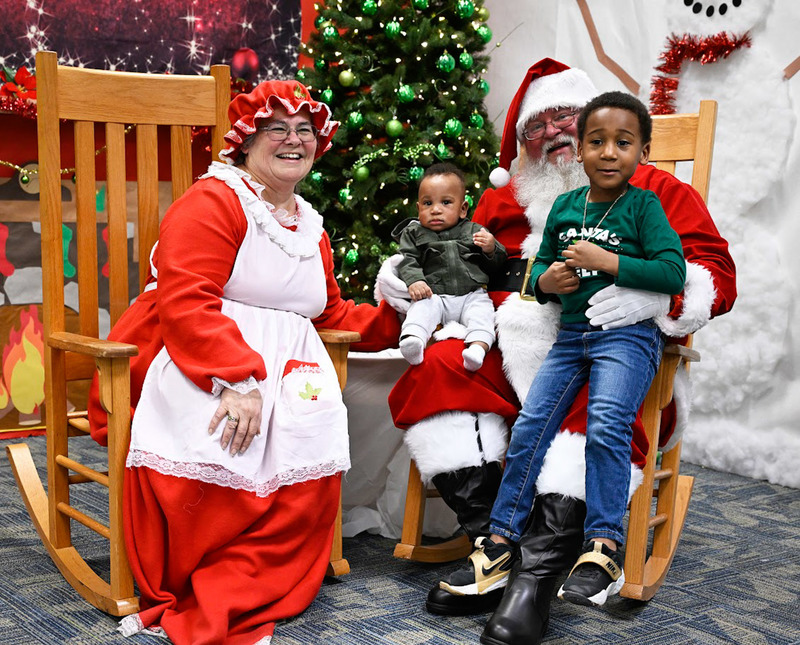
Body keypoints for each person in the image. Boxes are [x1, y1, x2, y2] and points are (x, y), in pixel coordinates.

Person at [376, 58, 736, 645]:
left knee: (590, 406)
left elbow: (714, 272)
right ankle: (493, 544)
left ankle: (536, 577)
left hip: (608, 345)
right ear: (521, 143)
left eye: (566, 117)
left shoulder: (655, 192)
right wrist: (404, 280)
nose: (553, 133)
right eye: (535, 126)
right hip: (503, 342)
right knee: (439, 366)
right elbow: (451, 264)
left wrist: (655, 298)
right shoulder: (503, 201)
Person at [87, 80, 401, 645]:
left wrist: (396, 315)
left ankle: (245, 578)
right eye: (277, 128)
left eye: (304, 130)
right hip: (200, 357)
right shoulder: (216, 200)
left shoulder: (308, 225)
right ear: (245, 141)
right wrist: (234, 379)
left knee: (304, 467)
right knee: (222, 449)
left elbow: (329, 311)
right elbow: (186, 300)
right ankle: (214, 579)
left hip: (286, 376)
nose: (294, 139)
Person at [483, 90, 686, 611]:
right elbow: (539, 275)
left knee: (607, 422)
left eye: (623, 142)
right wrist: (547, 281)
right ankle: (500, 537)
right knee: (531, 424)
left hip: (628, 335)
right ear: (580, 148)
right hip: (571, 336)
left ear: (642, 152)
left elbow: (673, 273)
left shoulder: (644, 206)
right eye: (596, 141)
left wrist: (609, 262)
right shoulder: (565, 206)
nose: (608, 152)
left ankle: (603, 546)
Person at [393, 163, 507, 371]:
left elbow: (496, 266)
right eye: (427, 203)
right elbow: (408, 259)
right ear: (418, 209)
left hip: (472, 294)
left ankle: (477, 349)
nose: (435, 210)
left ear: (463, 209)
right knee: (421, 309)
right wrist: (415, 280)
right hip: (435, 294)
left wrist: (491, 249)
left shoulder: (475, 231)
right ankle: (413, 341)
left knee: (483, 314)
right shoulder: (414, 234)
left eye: (446, 202)